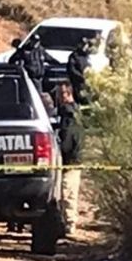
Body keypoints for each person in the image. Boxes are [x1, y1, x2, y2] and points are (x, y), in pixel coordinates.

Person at [57, 81, 84, 237]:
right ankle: (67, 222)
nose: (59, 97)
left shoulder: (68, 114)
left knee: (67, 192)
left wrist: (63, 154)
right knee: (68, 191)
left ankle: (70, 224)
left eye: (62, 94)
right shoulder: (75, 112)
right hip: (74, 158)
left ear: (68, 94)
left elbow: (68, 138)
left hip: (70, 160)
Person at [67, 38, 92, 105]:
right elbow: (72, 70)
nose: (84, 46)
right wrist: (81, 77)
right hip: (78, 83)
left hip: (87, 82)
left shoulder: (86, 56)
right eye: (83, 44)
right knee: (79, 100)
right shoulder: (74, 56)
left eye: (86, 44)